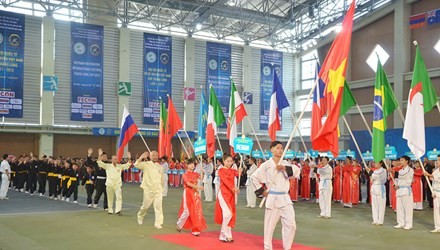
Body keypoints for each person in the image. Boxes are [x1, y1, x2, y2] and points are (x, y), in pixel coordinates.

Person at [252, 141, 300, 250]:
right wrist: (261, 191)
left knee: (291, 224)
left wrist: (283, 168)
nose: (280, 150)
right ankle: (267, 247)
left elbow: (297, 172)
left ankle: (287, 247)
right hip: (272, 197)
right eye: (277, 148)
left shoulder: (286, 163)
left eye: (281, 148)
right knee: (269, 226)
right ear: (272, 149)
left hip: (285, 198)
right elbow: (254, 178)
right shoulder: (266, 165)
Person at [176, 158, 207, 236]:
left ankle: (195, 229)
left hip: (195, 193)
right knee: (187, 211)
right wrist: (199, 187)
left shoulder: (196, 174)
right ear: (187, 165)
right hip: (188, 192)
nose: (192, 165)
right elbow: (188, 184)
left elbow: (202, 178)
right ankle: (179, 224)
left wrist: (203, 171)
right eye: (190, 164)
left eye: (193, 164)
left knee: (196, 210)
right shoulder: (184, 174)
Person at [214, 154, 241, 243]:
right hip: (223, 194)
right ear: (223, 161)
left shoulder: (232, 170)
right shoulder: (220, 170)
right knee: (227, 214)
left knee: (230, 214)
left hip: (231, 195)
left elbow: (238, 174)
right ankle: (225, 232)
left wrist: (241, 170)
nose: (229, 163)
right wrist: (234, 188)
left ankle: (223, 235)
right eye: (227, 161)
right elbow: (225, 181)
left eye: (231, 161)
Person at [96, 148, 132, 215]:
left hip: (118, 184)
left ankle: (118, 210)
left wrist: (129, 157)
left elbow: (128, 165)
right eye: (114, 159)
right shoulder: (107, 166)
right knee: (110, 198)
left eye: (116, 159)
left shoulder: (120, 166)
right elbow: (99, 163)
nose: (115, 160)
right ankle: (110, 210)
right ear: (111, 160)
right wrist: (99, 155)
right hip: (109, 184)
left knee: (119, 197)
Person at [135, 151, 164, 229]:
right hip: (148, 189)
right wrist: (141, 157)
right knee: (145, 206)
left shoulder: (160, 166)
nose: (155, 157)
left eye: (156, 155)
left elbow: (161, 178)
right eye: (153, 155)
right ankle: (140, 215)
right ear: (150, 156)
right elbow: (136, 165)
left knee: (158, 206)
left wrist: (162, 188)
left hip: (158, 189)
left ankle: (158, 223)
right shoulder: (146, 164)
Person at [394, 155, 414, 230]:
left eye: (402, 160)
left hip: (406, 190)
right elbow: (396, 180)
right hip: (399, 191)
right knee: (399, 208)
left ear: (407, 161)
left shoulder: (410, 170)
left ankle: (408, 224)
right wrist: (395, 185)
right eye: (400, 160)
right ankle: (400, 223)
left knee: (407, 208)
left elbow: (403, 176)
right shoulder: (399, 171)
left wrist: (394, 172)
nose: (400, 162)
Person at [368, 161, 387, 225]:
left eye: (376, 163)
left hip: (380, 189)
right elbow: (371, 179)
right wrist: (372, 174)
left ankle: (380, 220)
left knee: (381, 205)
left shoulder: (383, 170)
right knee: (374, 205)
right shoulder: (375, 171)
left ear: (381, 164)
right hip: (374, 188)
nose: (375, 164)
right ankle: (375, 219)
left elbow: (375, 176)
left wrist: (370, 172)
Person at [425, 155, 440, 233]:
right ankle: (437, 226)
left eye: (439, 160)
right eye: (437, 160)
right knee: (436, 210)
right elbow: (432, 179)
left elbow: (436, 178)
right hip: (436, 193)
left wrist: (429, 175)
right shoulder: (436, 170)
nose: (437, 162)